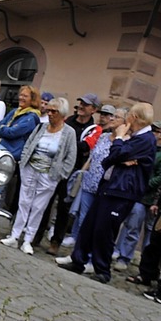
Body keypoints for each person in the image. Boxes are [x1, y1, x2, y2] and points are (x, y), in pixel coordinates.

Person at [59, 102, 157, 284]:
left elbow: (117, 154)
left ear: (134, 117)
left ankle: (102, 269)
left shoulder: (145, 139)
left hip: (122, 191)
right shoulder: (136, 137)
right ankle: (78, 260)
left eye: (128, 115)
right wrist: (121, 156)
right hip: (110, 187)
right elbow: (111, 158)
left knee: (105, 229)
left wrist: (119, 139)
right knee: (90, 225)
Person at [0, 97, 77, 255]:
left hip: (50, 174)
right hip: (30, 168)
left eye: (53, 111)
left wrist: (60, 174)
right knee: (24, 202)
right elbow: (29, 144)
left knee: (38, 207)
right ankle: (14, 236)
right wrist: (23, 163)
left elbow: (71, 157)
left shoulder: (69, 132)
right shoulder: (42, 127)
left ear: (62, 114)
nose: (50, 114)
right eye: (48, 110)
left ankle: (28, 240)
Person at [55, 107, 127, 259]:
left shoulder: (126, 142)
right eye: (112, 116)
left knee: (98, 224)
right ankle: (78, 253)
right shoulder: (103, 136)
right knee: (83, 220)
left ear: (125, 123)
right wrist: (81, 174)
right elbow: (91, 158)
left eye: (117, 117)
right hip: (89, 183)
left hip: (105, 188)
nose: (112, 119)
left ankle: (89, 255)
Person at [34, 93, 102, 250]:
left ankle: (56, 242)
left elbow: (85, 147)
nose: (82, 107)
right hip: (54, 167)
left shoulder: (94, 129)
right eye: (81, 103)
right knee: (44, 202)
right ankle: (36, 236)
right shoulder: (68, 120)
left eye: (86, 104)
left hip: (73, 172)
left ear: (93, 109)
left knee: (64, 208)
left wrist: (68, 144)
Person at [112, 120, 161, 271]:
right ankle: (121, 253)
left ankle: (135, 260)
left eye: (157, 131)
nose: (154, 133)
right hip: (136, 192)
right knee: (129, 224)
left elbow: (159, 177)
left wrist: (145, 184)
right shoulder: (147, 146)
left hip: (148, 196)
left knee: (145, 230)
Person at [0, 85, 41, 215]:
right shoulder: (15, 111)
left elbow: (12, 132)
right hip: (2, 152)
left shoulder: (31, 118)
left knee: (0, 188)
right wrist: (5, 129)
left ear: (32, 99)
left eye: (25, 96)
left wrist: (4, 129)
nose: (21, 98)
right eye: (20, 95)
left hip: (12, 156)